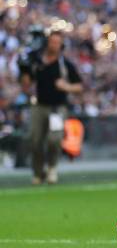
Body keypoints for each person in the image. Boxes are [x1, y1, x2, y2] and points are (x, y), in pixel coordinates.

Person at [19, 30, 83, 184]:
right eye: (51, 42)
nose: (53, 45)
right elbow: (26, 84)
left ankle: (52, 167)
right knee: (34, 139)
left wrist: (66, 86)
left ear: (61, 45)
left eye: (56, 42)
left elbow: (79, 87)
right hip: (39, 105)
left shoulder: (64, 65)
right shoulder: (36, 62)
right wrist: (24, 73)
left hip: (57, 107)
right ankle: (38, 172)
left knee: (54, 139)